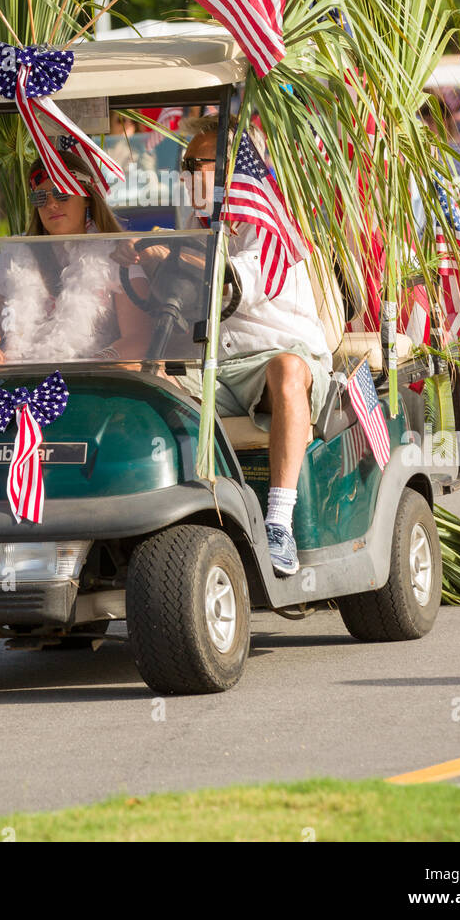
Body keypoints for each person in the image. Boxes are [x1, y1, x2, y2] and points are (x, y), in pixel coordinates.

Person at [129, 116, 332, 578]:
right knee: (143, 379)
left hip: (279, 355)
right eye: (182, 164)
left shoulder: (267, 222)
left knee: (286, 369)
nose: (184, 174)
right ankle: (172, 512)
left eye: (194, 163)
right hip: (218, 365)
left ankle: (279, 521)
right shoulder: (196, 223)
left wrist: (177, 254)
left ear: (228, 171)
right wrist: (141, 259)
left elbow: (240, 281)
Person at [0, 152, 151, 381]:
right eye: (40, 198)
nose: (52, 204)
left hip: (89, 383)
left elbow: (140, 339)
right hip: (16, 381)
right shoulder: (10, 261)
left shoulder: (118, 255)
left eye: (61, 194)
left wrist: (92, 364)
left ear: (87, 196)